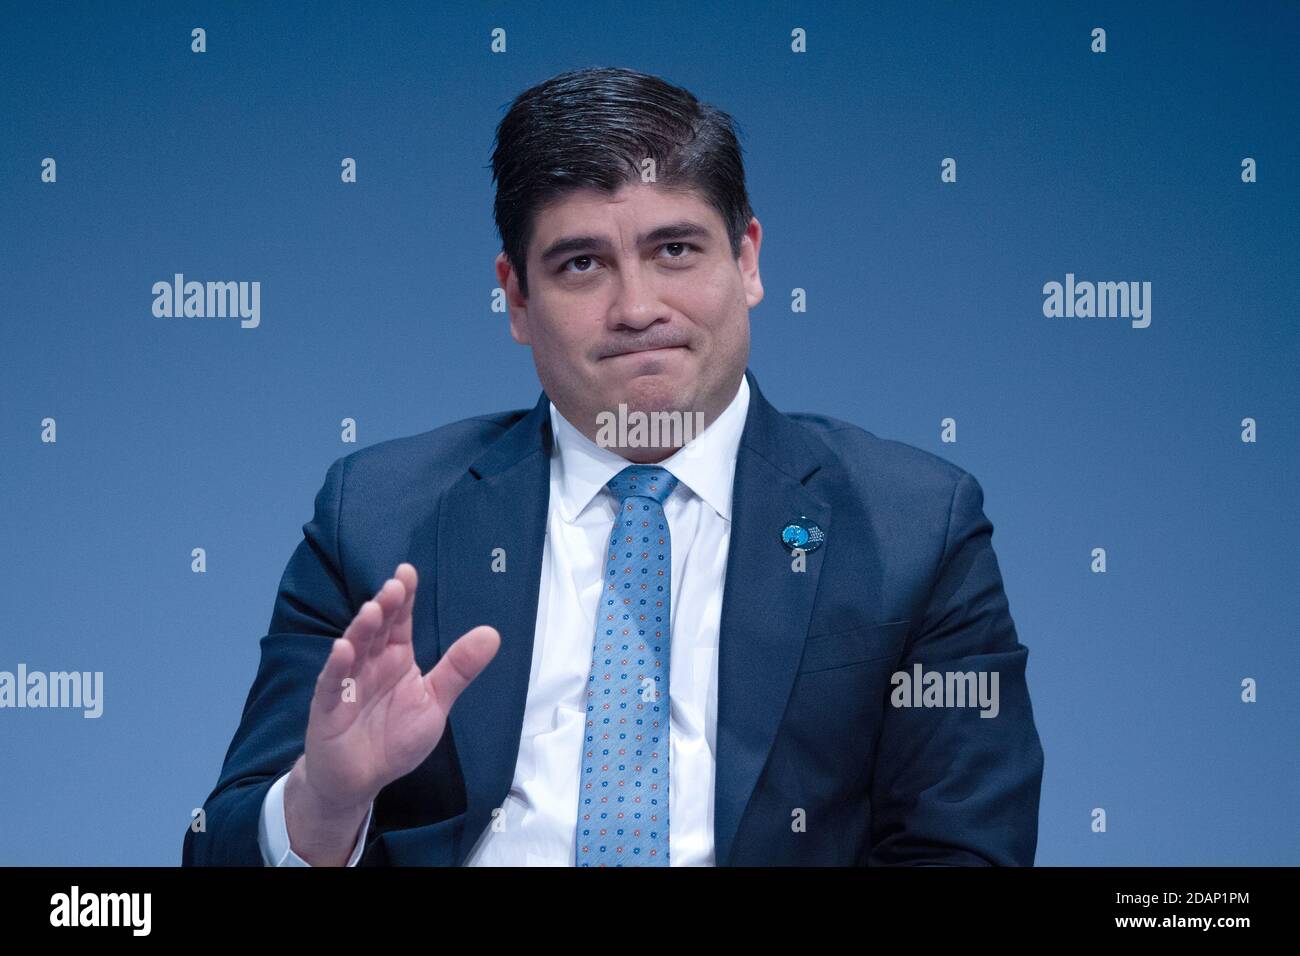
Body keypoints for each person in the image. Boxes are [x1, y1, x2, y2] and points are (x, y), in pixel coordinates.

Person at [183, 66, 1043, 867]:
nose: (637, 309)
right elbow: (213, 847)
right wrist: (326, 803)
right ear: (516, 299)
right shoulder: (376, 516)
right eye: (582, 264)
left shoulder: (914, 528)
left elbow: (964, 850)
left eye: (676, 250)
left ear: (747, 260)